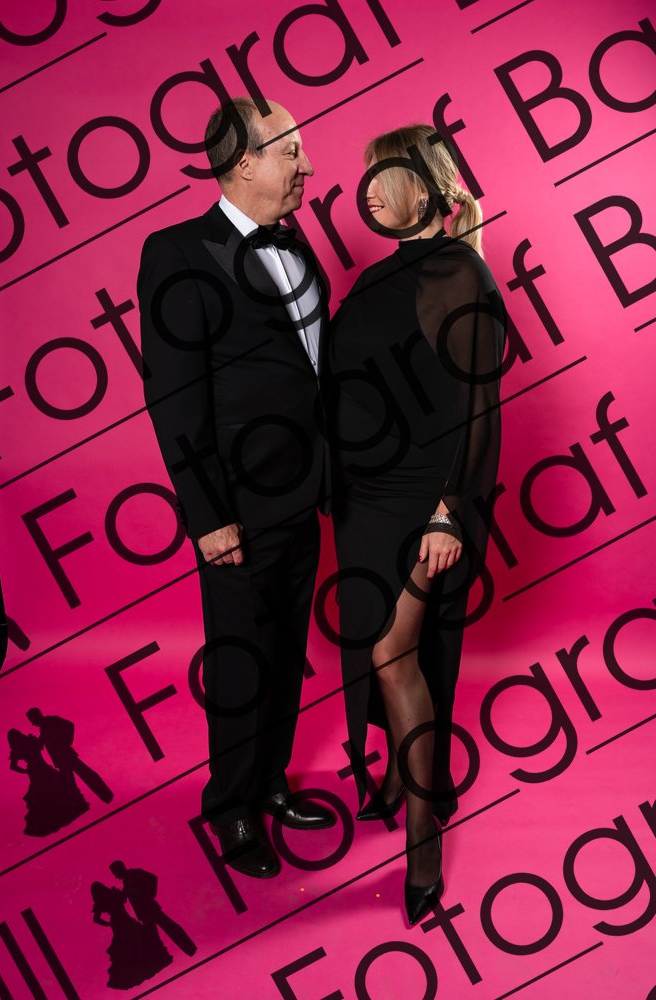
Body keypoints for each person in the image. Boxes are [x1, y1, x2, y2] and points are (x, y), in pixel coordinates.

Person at [137, 97, 335, 880]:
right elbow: (174, 396)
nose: (307, 166)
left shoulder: (296, 243)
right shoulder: (177, 252)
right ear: (243, 162)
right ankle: (229, 808)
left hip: (305, 492)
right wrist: (207, 516)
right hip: (238, 509)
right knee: (239, 659)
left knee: (285, 650)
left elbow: (309, 371)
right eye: (290, 151)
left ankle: (269, 781)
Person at [324, 124, 505, 925]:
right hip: (361, 501)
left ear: (421, 186)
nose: (365, 191)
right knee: (385, 652)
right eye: (364, 177)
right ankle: (405, 775)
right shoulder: (373, 277)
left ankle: (423, 851)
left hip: (421, 499)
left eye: (380, 175)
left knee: (390, 653)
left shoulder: (457, 271)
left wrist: (448, 511)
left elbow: (476, 404)